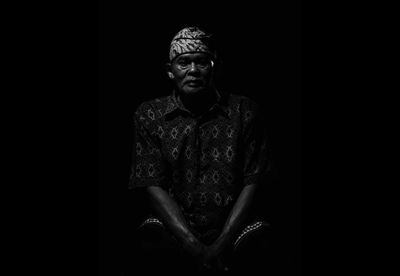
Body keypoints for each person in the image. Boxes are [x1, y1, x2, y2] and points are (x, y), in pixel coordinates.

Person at [127, 26, 273, 275]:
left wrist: (220, 244)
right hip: (174, 229)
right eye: (184, 63)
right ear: (170, 71)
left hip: (234, 227)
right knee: (148, 241)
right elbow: (151, 183)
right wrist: (193, 246)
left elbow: (254, 180)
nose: (193, 71)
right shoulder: (149, 114)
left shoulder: (244, 111)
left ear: (214, 67)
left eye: (202, 62)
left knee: (263, 243)